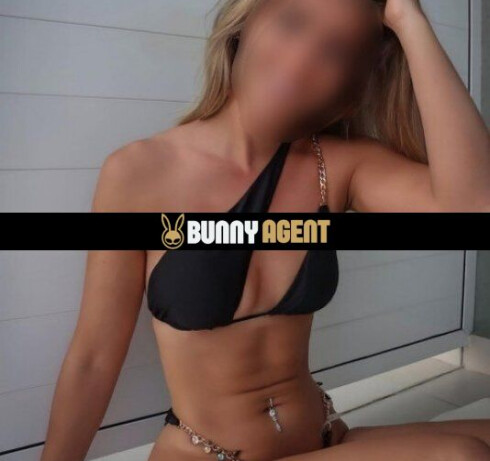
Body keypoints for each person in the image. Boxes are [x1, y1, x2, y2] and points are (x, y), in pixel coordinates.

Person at [41, 0, 490, 460]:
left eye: (335, 52)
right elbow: (94, 358)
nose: (300, 63)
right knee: (460, 456)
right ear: (245, 22)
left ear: (351, 81)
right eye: (291, 23)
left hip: (322, 439)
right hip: (209, 454)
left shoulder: (336, 165)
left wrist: (408, 19)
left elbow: (473, 205)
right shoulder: (141, 172)